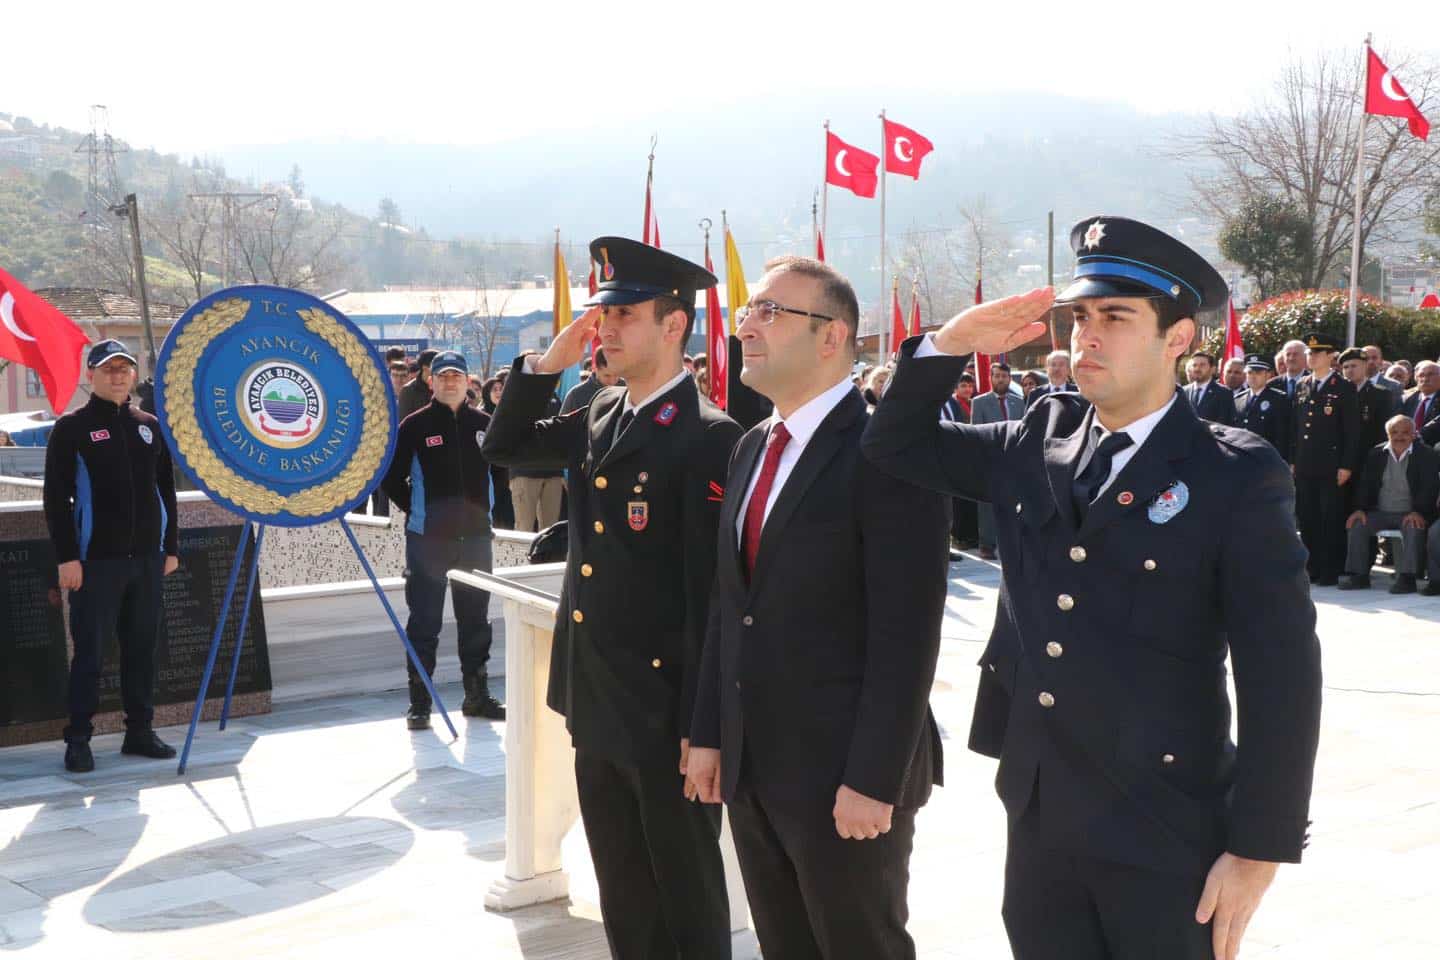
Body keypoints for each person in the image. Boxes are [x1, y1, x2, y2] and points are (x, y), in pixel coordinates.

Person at [862, 216, 1322, 960]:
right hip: (1042, 813)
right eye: (1078, 318)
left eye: (1115, 317)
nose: (1087, 337)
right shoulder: (1032, 441)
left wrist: (1259, 848)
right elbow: (893, 444)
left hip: (1166, 823)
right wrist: (951, 343)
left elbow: (1283, 671)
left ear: (1179, 339)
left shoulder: (1233, 473)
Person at [482, 237, 742, 959]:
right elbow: (503, 448)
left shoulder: (710, 438)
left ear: (673, 326)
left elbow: (712, 597)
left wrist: (706, 724)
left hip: (666, 714)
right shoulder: (599, 411)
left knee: (685, 895)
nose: (607, 329)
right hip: (595, 696)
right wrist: (547, 365)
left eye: (624, 314)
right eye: (603, 314)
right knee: (624, 891)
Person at [686, 255, 946, 960]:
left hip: (845, 780)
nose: (748, 326)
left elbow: (908, 634)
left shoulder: (885, 452)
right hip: (754, 768)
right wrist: (709, 730)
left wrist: (872, 779)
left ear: (833, 337)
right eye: (748, 311)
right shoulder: (751, 449)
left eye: (771, 311)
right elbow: (728, 605)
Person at [42, 340, 181, 773]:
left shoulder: (149, 426)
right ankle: (79, 738)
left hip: (146, 561)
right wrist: (67, 558)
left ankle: (139, 731)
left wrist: (170, 547)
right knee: (90, 654)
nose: (117, 375)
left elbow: (166, 492)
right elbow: (56, 500)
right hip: (94, 562)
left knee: (142, 650)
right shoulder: (72, 428)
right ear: (91, 375)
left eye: (124, 368)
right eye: (108, 369)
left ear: (133, 375)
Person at [380, 351, 504, 726]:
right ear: (431, 381)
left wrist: (484, 513)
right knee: (425, 621)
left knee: (476, 620)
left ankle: (476, 696)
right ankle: (420, 701)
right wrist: (420, 513)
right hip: (428, 541)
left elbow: (499, 474)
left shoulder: (484, 424)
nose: (451, 382)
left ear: (468, 381)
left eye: (457, 375)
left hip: (476, 540)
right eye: (443, 375)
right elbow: (391, 477)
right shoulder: (414, 427)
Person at [1338, 415, 1440, 595]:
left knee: (1414, 526)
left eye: (1405, 432)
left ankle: (1408, 577)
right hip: (1380, 512)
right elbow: (1365, 485)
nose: (1399, 436)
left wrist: (1418, 511)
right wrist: (1360, 509)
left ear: (1414, 434)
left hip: (1410, 512)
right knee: (1357, 523)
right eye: (1394, 432)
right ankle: (1359, 575)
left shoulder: (1426, 455)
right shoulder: (1376, 453)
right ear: (1387, 434)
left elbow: (1429, 488)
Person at [1293, 335, 1361, 586]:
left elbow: (1352, 431)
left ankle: (1331, 568)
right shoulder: (1302, 384)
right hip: (1305, 463)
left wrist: (1346, 465)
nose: (1311, 357)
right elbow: (1297, 426)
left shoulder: (1343, 387)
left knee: (1329, 517)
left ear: (1330, 356)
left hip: (1332, 464)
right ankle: (1313, 567)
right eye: (1309, 353)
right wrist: (1293, 459)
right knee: (1308, 516)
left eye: (1317, 353)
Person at [970, 361, 1026, 560]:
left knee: (1012, 502)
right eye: (997, 376)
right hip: (990, 458)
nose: (1000, 379)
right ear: (990, 378)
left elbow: (1023, 430)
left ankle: (1010, 541)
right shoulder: (979, 402)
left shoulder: (1019, 402)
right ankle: (986, 544)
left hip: (1013, 460)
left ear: (1009, 379)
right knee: (987, 504)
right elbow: (975, 432)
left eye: (1004, 376)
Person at [1235, 355, 1293, 462]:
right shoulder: (1238, 399)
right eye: (1250, 373)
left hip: (1267, 459)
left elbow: (1282, 435)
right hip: (1242, 458)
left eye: (1258, 373)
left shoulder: (1279, 399)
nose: (1253, 376)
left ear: (1268, 375)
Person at [1340, 347, 1393, 452]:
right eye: (1345, 367)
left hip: (1367, 455)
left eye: (1354, 366)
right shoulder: (1337, 393)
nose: (1349, 370)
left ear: (1364, 366)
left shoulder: (1381, 394)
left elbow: (1382, 433)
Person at [560, 346, 620, 414]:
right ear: (595, 368)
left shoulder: (626, 388)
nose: (612, 381)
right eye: (607, 376)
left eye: (616, 375)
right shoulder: (576, 395)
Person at [1183, 351, 1237, 425]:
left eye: (1202, 365)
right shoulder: (1183, 391)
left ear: (1213, 369)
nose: (1197, 369)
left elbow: (1225, 424)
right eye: (1194, 365)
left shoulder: (1224, 393)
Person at [1400, 360, 1440, 446]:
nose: (1425, 379)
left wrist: (1416, 436)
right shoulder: (1407, 399)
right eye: (1421, 375)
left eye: (1430, 374)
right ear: (1416, 378)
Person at [397, 348, 437, 421]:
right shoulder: (408, 391)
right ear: (425, 368)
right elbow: (403, 422)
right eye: (436, 367)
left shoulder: (441, 387)